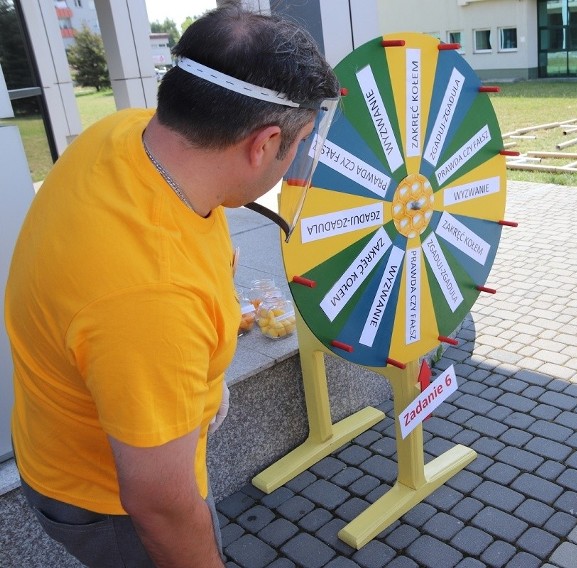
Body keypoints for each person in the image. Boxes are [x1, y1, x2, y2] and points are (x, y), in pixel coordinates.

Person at [4, 4, 339, 567]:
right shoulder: (152, 299)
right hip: (106, 502)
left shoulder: (124, 132)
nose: (293, 159)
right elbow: (160, 503)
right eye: (299, 142)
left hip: (56, 441)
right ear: (263, 143)